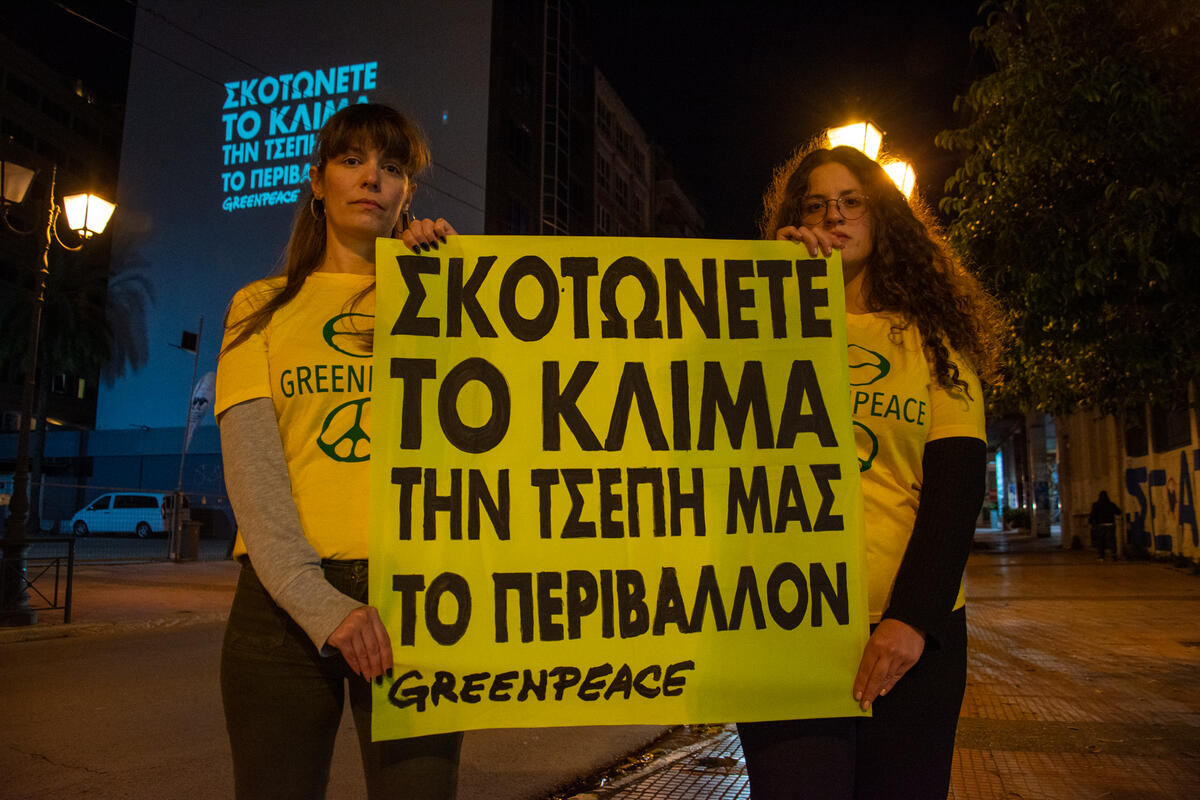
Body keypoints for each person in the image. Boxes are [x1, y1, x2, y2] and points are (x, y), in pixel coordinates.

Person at [736, 143, 1001, 799]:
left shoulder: (933, 339)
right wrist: (780, 286)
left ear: (880, 216)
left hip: (910, 641)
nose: (835, 216)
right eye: (817, 204)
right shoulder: (762, 321)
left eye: (852, 201)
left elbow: (957, 485)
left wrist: (910, 620)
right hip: (785, 629)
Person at [215, 102, 461, 800]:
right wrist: (324, 607)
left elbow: (493, 440)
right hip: (282, 613)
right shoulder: (259, 308)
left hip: (418, 604)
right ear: (316, 181)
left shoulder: (438, 296)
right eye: (352, 160)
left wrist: (451, 284)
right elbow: (255, 477)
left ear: (408, 194)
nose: (372, 179)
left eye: (392, 168)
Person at [1089, 490, 1121, 560]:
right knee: (1111, 540)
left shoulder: (1096, 505)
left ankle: (1101, 556)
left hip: (1100, 525)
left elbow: (1093, 515)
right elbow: (1118, 512)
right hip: (1110, 524)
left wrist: (1091, 523)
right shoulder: (1111, 504)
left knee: (1101, 541)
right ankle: (1113, 554)